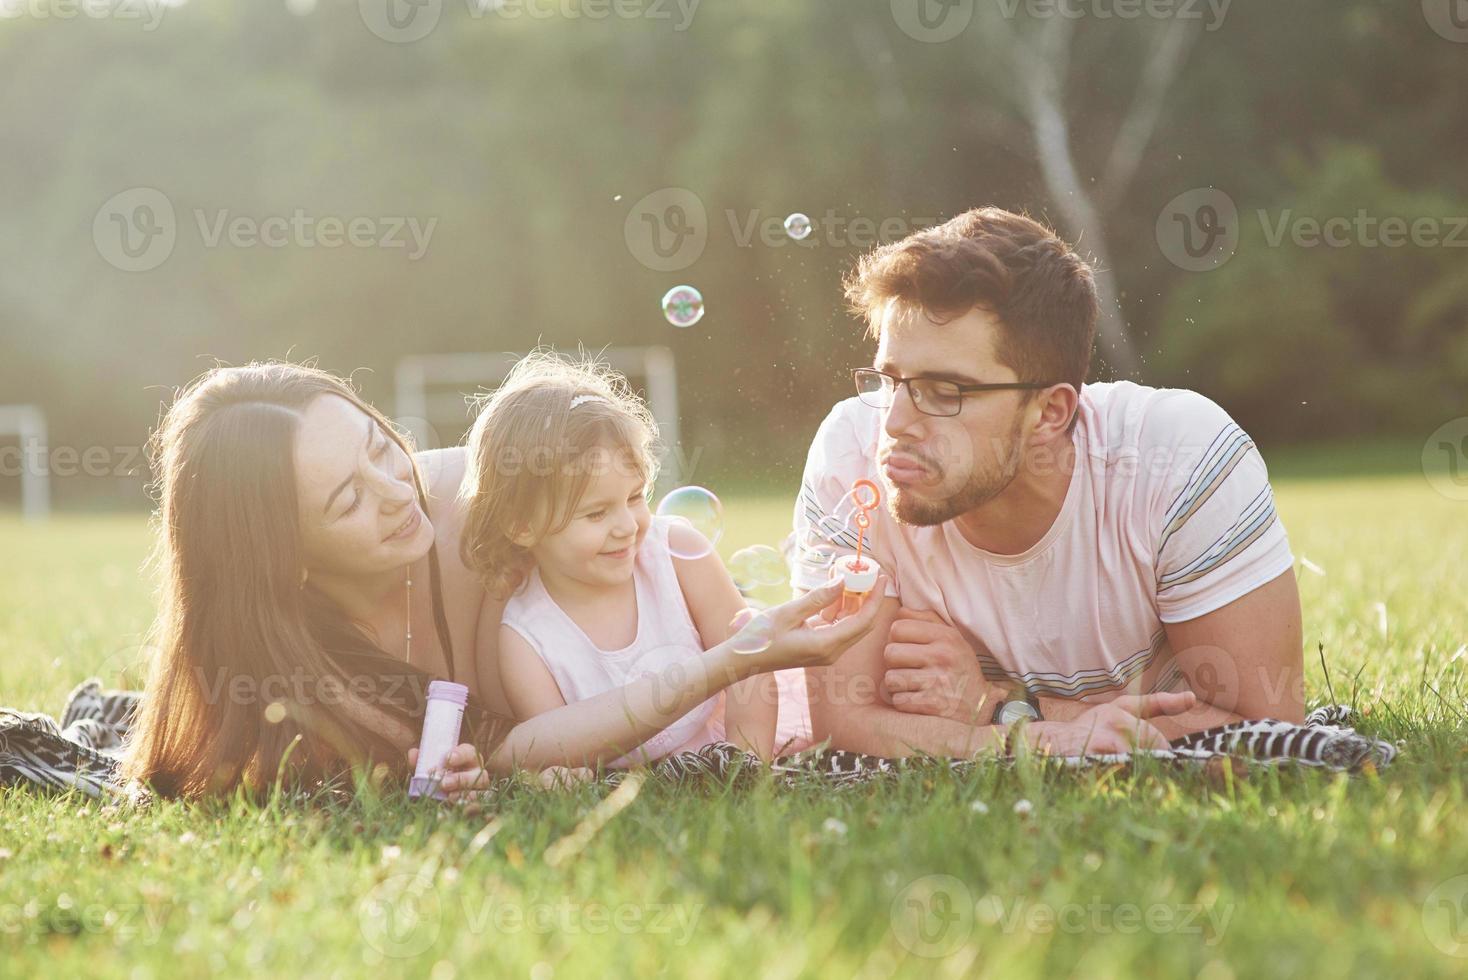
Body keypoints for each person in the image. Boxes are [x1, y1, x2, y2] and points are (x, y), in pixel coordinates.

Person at [121, 361, 881, 798]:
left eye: (381, 449)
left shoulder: (486, 507)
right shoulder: (293, 674)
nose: (397, 492)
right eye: (349, 498)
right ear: (285, 556)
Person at [792, 206, 1302, 759]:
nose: (892, 423)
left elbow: (1263, 726)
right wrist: (1051, 739)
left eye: (944, 391)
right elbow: (843, 720)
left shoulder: (1177, 457)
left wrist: (997, 706)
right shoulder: (850, 454)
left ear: (1051, 412)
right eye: (890, 381)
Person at [458, 352, 816, 765]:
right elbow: (559, 749)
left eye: (634, 497)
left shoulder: (678, 556)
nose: (627, 526)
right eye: (596, 513)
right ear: (522, 526)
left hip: (724, 736)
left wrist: (745, 765)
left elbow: (751, 666)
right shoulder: (526, 638)